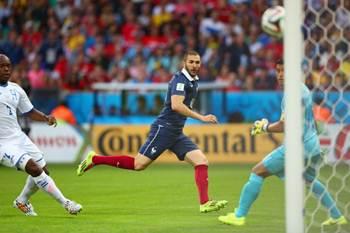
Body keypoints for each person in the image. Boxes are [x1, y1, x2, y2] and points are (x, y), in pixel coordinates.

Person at [77, 50, 228, 213]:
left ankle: (205, 203)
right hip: (164, 128)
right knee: (138, 164)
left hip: (176, 132)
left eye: (197, 62)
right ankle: (95, 159)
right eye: (191, 62)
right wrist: (202, 117)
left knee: (201, 161)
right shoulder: (180, 80)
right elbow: (176, 105)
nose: (194, 65)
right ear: (184, 63)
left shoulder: (193, 81)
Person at [218, 59, 347, 226]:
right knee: (309, 180)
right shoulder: (302, 89)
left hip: (298, 147)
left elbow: (285, 125)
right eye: (278, 71)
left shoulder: (293, 93)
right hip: (312, 145)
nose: (280, 75)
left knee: (257, 172)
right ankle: (337, 215)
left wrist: (264, 127)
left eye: (283, 71)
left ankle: (239, 216)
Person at [0, 54, 82, 216]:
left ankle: (22, 201)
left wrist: (45, 118)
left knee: (44, 170)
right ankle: (66, 203)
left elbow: (29, 111)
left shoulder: (16, 89)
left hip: (19, 137)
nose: (6, 69)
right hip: (3, 143)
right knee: (34, 169)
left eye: (8, 66)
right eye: (2, 66)